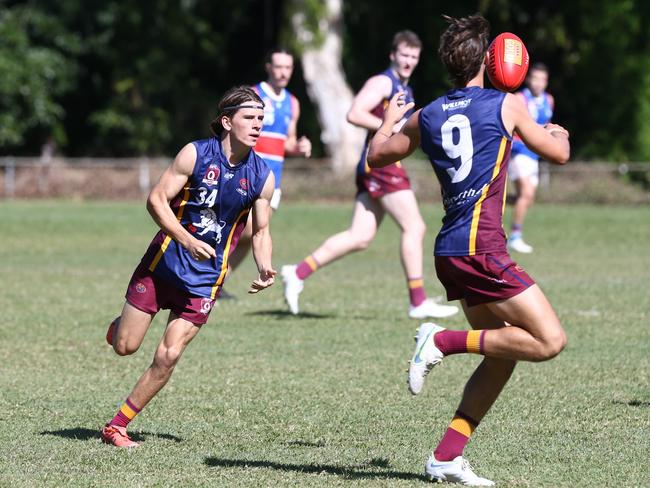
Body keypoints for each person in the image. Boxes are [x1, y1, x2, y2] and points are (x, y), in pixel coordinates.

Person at [367, 15, 570, 485]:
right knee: (548, 341)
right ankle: (439, 340)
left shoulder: (429, 113)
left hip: (450, 251)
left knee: (502, 354)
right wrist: (558, 132)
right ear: (486, 61)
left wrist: (386, 122)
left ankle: (446, 456)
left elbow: (376, 156)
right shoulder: (508, 104)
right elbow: (557, 153)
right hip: (483, 249)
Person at [100, 86, 276, 448]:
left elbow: (260, 231)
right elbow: (156, 200)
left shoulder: (263, 176)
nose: (257, 124)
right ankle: (119, 328)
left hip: (206, 280)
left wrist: (265, 266)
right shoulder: (195, 154)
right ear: (227, 121)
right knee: (125, 346)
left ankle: (116, 426)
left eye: (261, 118)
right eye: (249, 117)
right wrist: (186, 239)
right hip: (163, 264)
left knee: (169, 355)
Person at [281, 30, 458, 319]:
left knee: (360, 236)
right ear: (393, 55)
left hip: (380, 164)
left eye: (414, 56)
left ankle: (297, 273)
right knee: (415, 227)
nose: (409, 61)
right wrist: (389, 127)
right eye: (404, 55)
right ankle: (418, 301)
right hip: (380, 164)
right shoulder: (382, 82)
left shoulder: (404, 88)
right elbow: (354, 113)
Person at [223, 48, 311, 287]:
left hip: (273, 181)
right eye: (279, 67)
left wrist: (299, 147)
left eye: (288, 67)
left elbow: (288, 142)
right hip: (246, 175)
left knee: (251, 234)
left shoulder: (293, 103)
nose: (283, 72)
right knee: (246, 230)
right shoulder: (253, 94)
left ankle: (217, 281)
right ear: (269, 68)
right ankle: (205, 275)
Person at [507, 63, 554, 253]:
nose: (538, 83)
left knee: (527, 198)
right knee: (526, 194)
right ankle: (515, 236)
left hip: (534, 155)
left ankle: (494, 199)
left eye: (542, 79)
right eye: (535, 78)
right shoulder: (519, 98)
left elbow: (546, 126)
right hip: (518, 152)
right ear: (528, 79)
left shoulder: (549, 100)